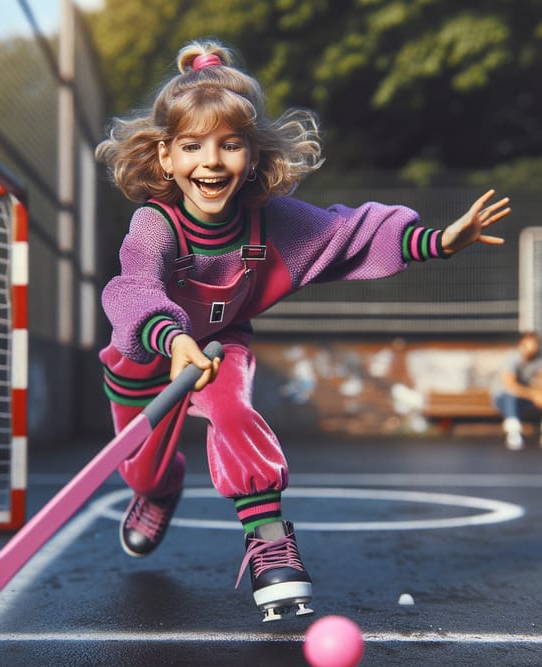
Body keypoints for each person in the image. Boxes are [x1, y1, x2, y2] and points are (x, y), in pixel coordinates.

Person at [94, 38, 511, 622]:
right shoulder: (154, 225)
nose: (211, 161)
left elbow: (355, 234)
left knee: (234, 409)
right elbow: (134, 287)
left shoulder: (278, 223)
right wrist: (170, 337)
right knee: (141, 466)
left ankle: (267, 541)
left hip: (220, 346)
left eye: (230, 145)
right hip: (146, 354)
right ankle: (158, 490)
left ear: (254, 156)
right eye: (192, 146)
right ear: (165, 157)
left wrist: (439, 241)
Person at [491, 331, 542, 450]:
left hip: (526, 399)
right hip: (503, 399)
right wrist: (534, 394)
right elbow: (510, 386)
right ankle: (513, 432)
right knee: (510, 396)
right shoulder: (512, 359)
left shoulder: (539, 359)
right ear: (521, 345)